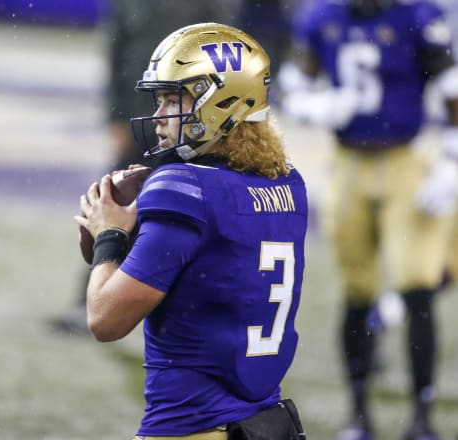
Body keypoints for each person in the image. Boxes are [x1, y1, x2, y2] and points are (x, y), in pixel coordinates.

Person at [76, 23, 308, 439]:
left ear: (220, 102)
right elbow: (210, 266)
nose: (161, 116)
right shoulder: (288, 184)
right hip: (264, 425)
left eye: (172, 99)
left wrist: (110, 235)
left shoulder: (183, 189)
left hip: (190, 427)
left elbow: (105, 319)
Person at [277, 0, 458, 439]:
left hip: (405, 159)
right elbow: (292, 84)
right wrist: (311, 107)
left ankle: (421, 416)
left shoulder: (417, 16)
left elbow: (452, 88)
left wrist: (452, 160)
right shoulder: (324, 18)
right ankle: (358, 412)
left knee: (418, 285)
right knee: (355, 291)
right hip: (348, 162)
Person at [49, 0, 234, 335]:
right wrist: (117, 115)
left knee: (187, 218)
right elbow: (117, 51)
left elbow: (225, 56)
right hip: (142, 120)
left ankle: (186, 309)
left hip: (191, 126)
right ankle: (91, 299)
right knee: (113, 206)